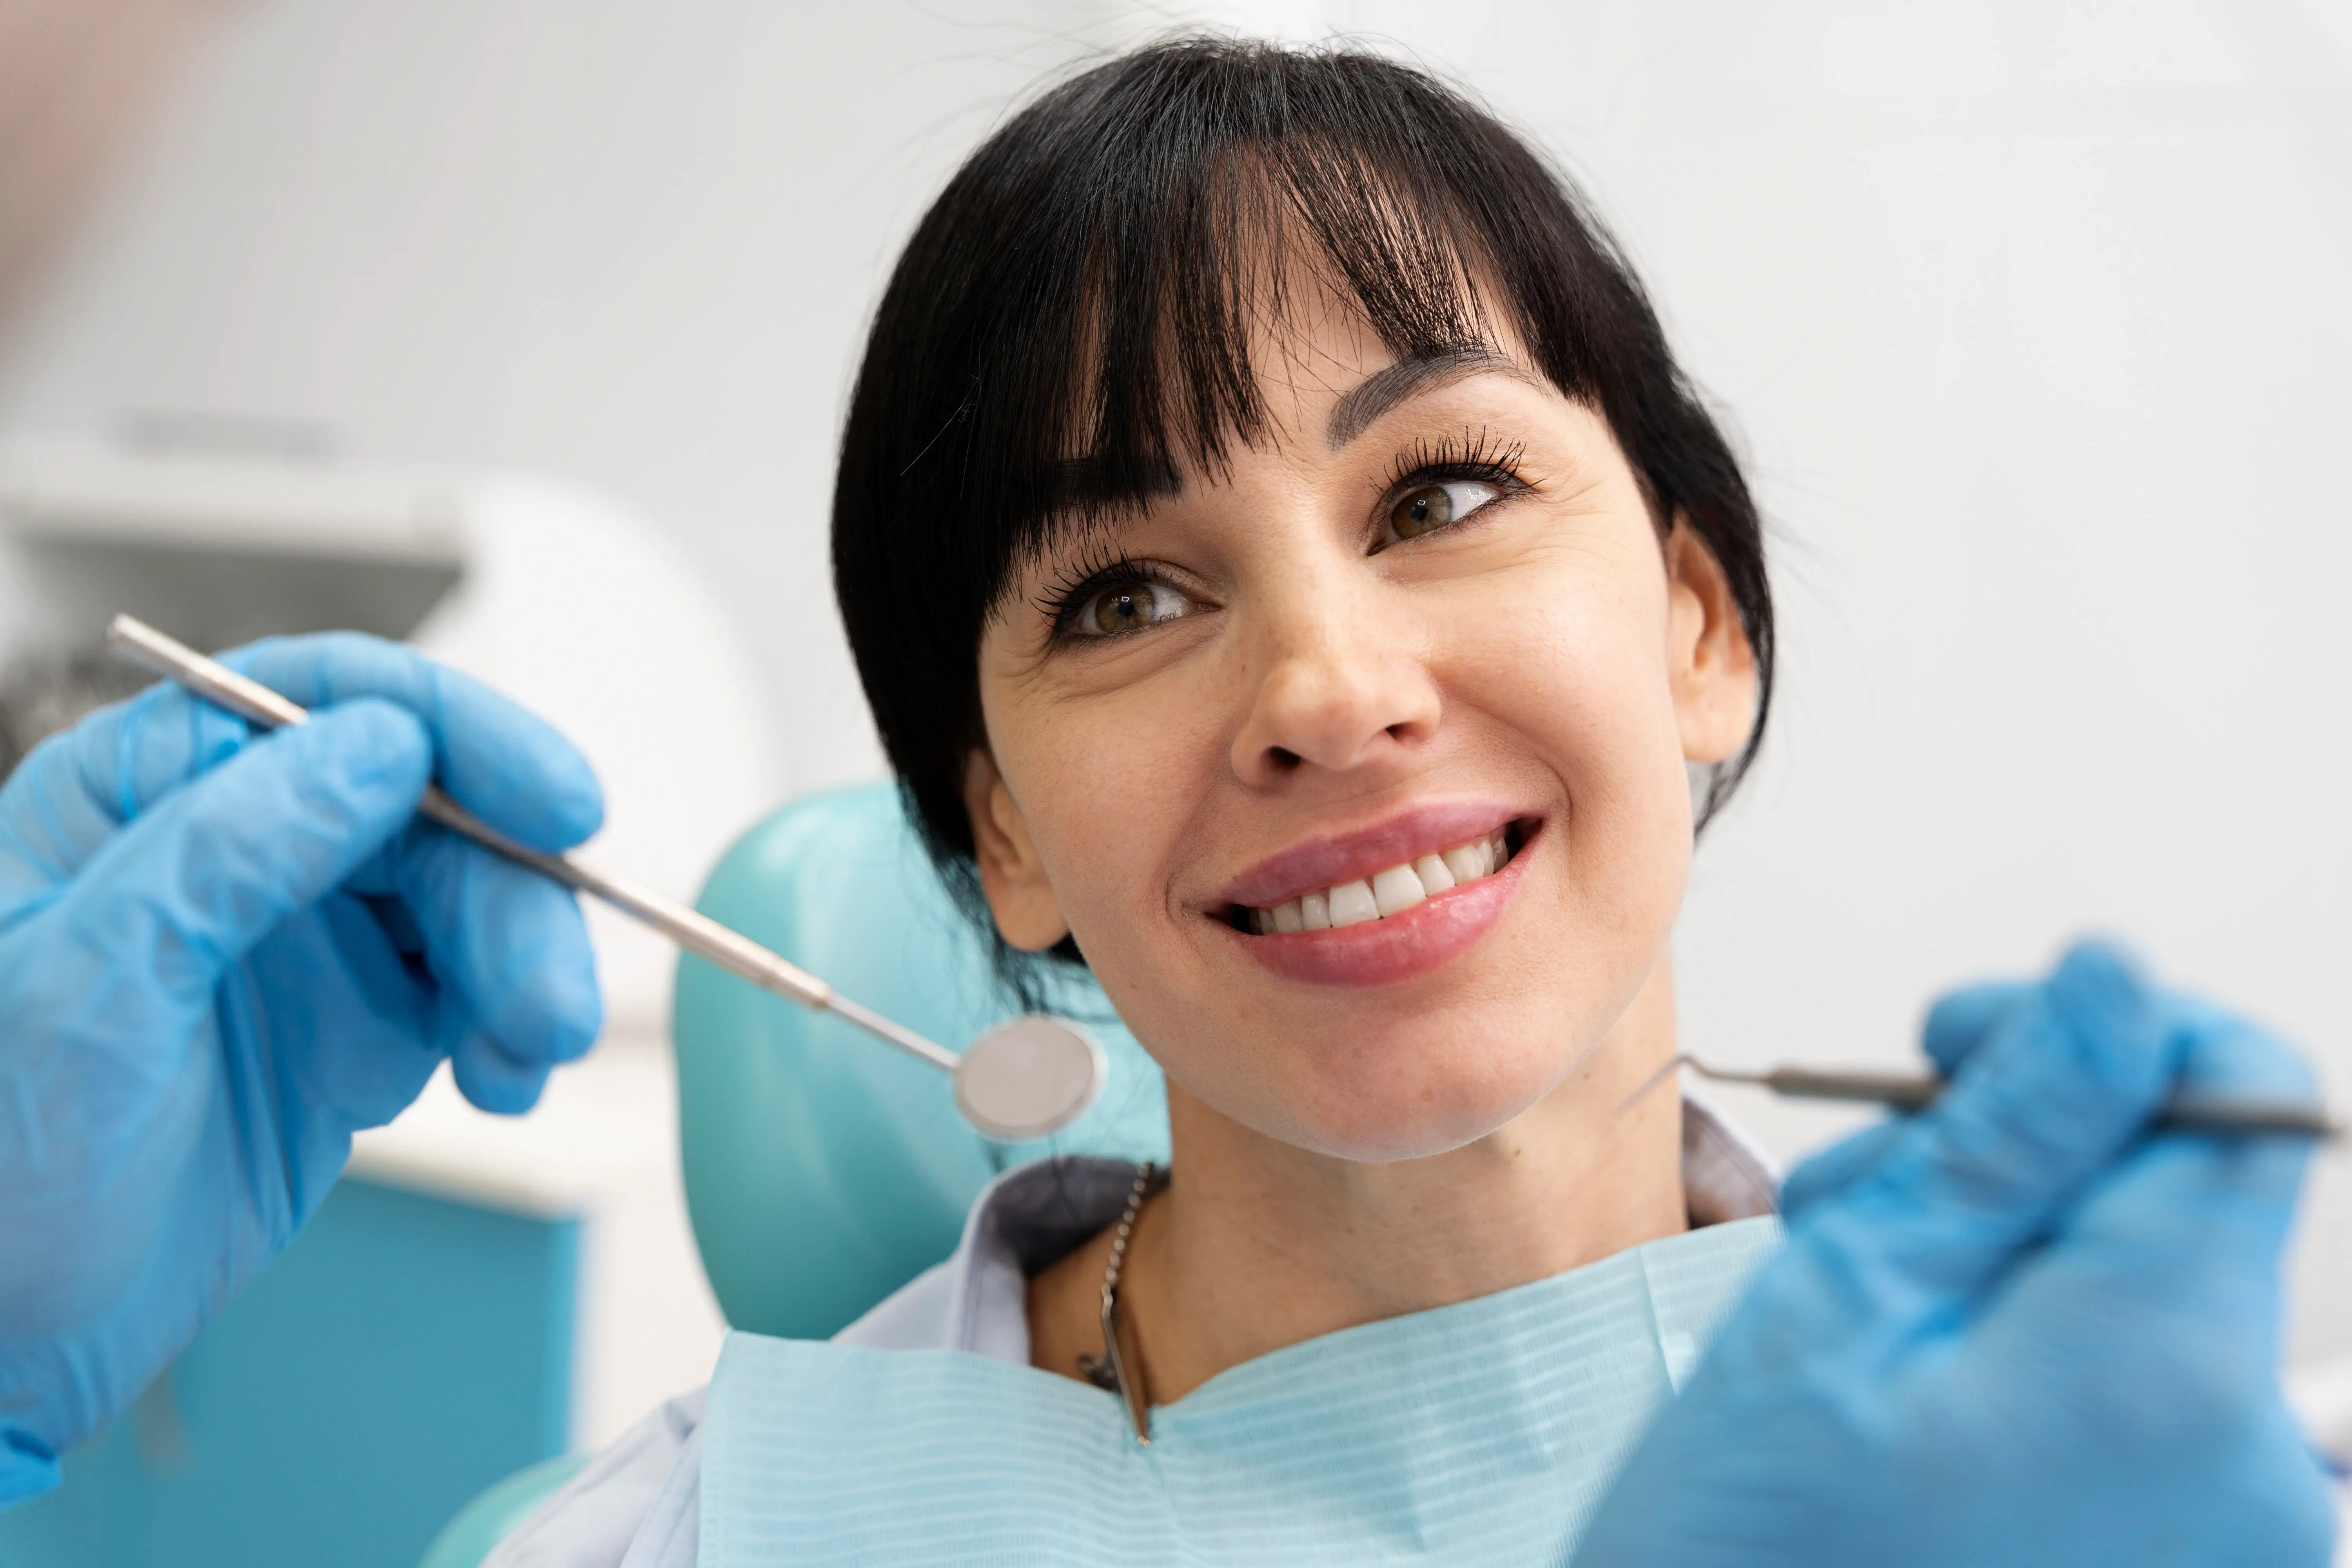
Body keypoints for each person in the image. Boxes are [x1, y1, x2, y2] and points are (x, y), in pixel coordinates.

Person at [0, 35, 2334, 1568]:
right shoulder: (688, 1544)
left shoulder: (2114, 1483)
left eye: (1440, 494)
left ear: (1697, 624)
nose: (1327, 691)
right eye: (1123, 594)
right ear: (1002, 831)